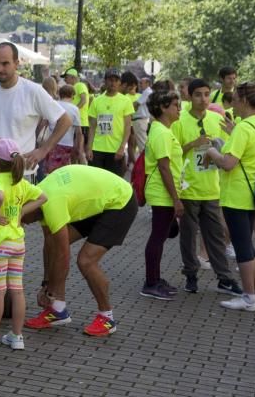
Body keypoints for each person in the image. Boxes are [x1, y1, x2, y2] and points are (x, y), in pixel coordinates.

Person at [23, 164, 138, 336]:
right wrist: (46, 283)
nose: (23, 223)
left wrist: (49, 292)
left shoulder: (51, 205)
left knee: (86, 261)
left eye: (22, 217)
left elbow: (63, 256)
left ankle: (107, 318)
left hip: (120, 202)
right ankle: (58, 310)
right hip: (97, 200)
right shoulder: (38, 198)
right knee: (53, 243)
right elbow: (50, 244)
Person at [0, 138, 47, 350]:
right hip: (17, 242)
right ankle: (16, 336)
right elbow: (43, 197)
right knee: (17, 290)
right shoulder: (20, 182)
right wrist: (22, 211)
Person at [202, 82, 255, 311]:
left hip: (237, 195)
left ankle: (248, 297)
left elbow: (228, 163)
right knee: (248, 246)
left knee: (242, 248)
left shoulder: (244, 128)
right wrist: (234, 133)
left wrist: (211, 152)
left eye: (234, 99)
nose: (231, 103)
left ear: (243, 100)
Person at [170, 79, 244, 297]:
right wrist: (193, 144)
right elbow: (173, 154)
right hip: (189, 188)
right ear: (190, 97)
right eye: (198, 95)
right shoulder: (179, 121)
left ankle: (224, 278)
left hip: (212, 188)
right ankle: (191, 275)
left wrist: (231, 136)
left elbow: (228, 148)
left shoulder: (217, 118)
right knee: (189, 235)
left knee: (216, 236)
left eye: (206, 94)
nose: (203, 99)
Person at [0, 42, 70, 170]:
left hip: (22, 172)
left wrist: (43, 150)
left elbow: (64, 120)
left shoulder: (33, 91)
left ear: (16, 64)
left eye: (5, 63)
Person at [138, 90, 184, 300]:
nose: (179, 109)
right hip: (162, 193)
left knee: (163, 234)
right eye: (175, 105)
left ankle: (155, 278)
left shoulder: (163, 130)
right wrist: (176, 199)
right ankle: (151, 282)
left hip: (164, 192)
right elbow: (164, 168)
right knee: (157, 237)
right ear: (164, 108)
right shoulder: (161, 133)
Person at [86, 69, 134, 176]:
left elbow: (127, 127)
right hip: (97, 149)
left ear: (119, 83)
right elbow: (92, 127)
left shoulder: (126, 101)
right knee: (96, 182)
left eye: (116, 80)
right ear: (105, 81)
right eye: (110, 80)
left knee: (113, 183)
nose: (113, 83)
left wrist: (122, 147)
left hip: (115, 150)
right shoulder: (97, 101)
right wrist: (89, 148)